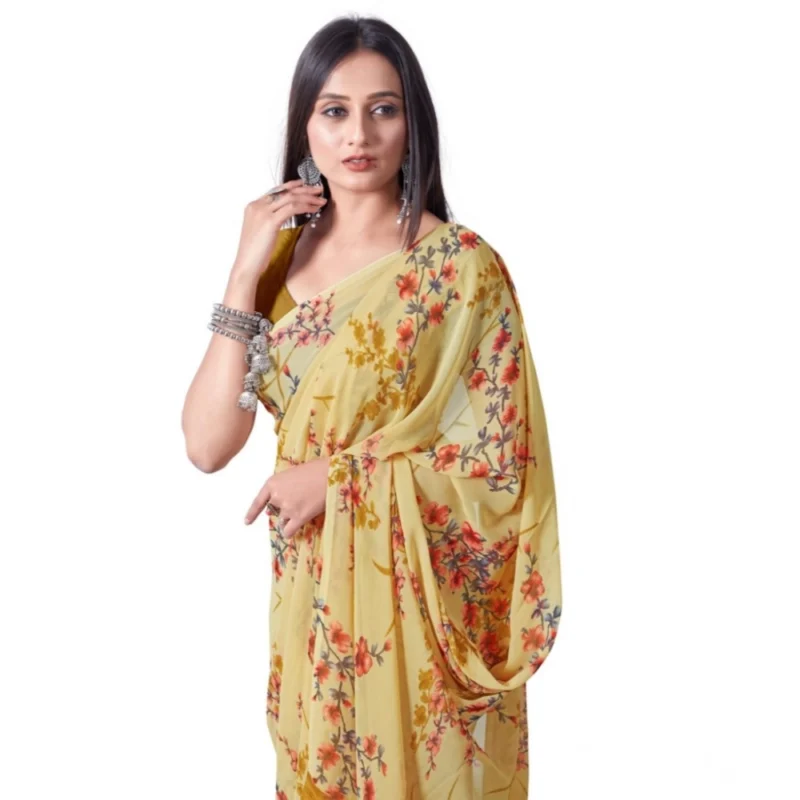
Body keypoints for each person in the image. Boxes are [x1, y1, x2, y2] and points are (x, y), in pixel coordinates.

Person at [182, 14, 562, 800]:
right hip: (311, 598)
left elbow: (500, 469)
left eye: (383, 109)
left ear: (412, 122)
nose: (359, 134)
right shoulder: (277, 263)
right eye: (335, 111)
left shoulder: (460, 270)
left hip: (419, 616)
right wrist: (243, 272)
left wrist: (340, 480)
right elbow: (208, 444)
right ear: (306, 127)